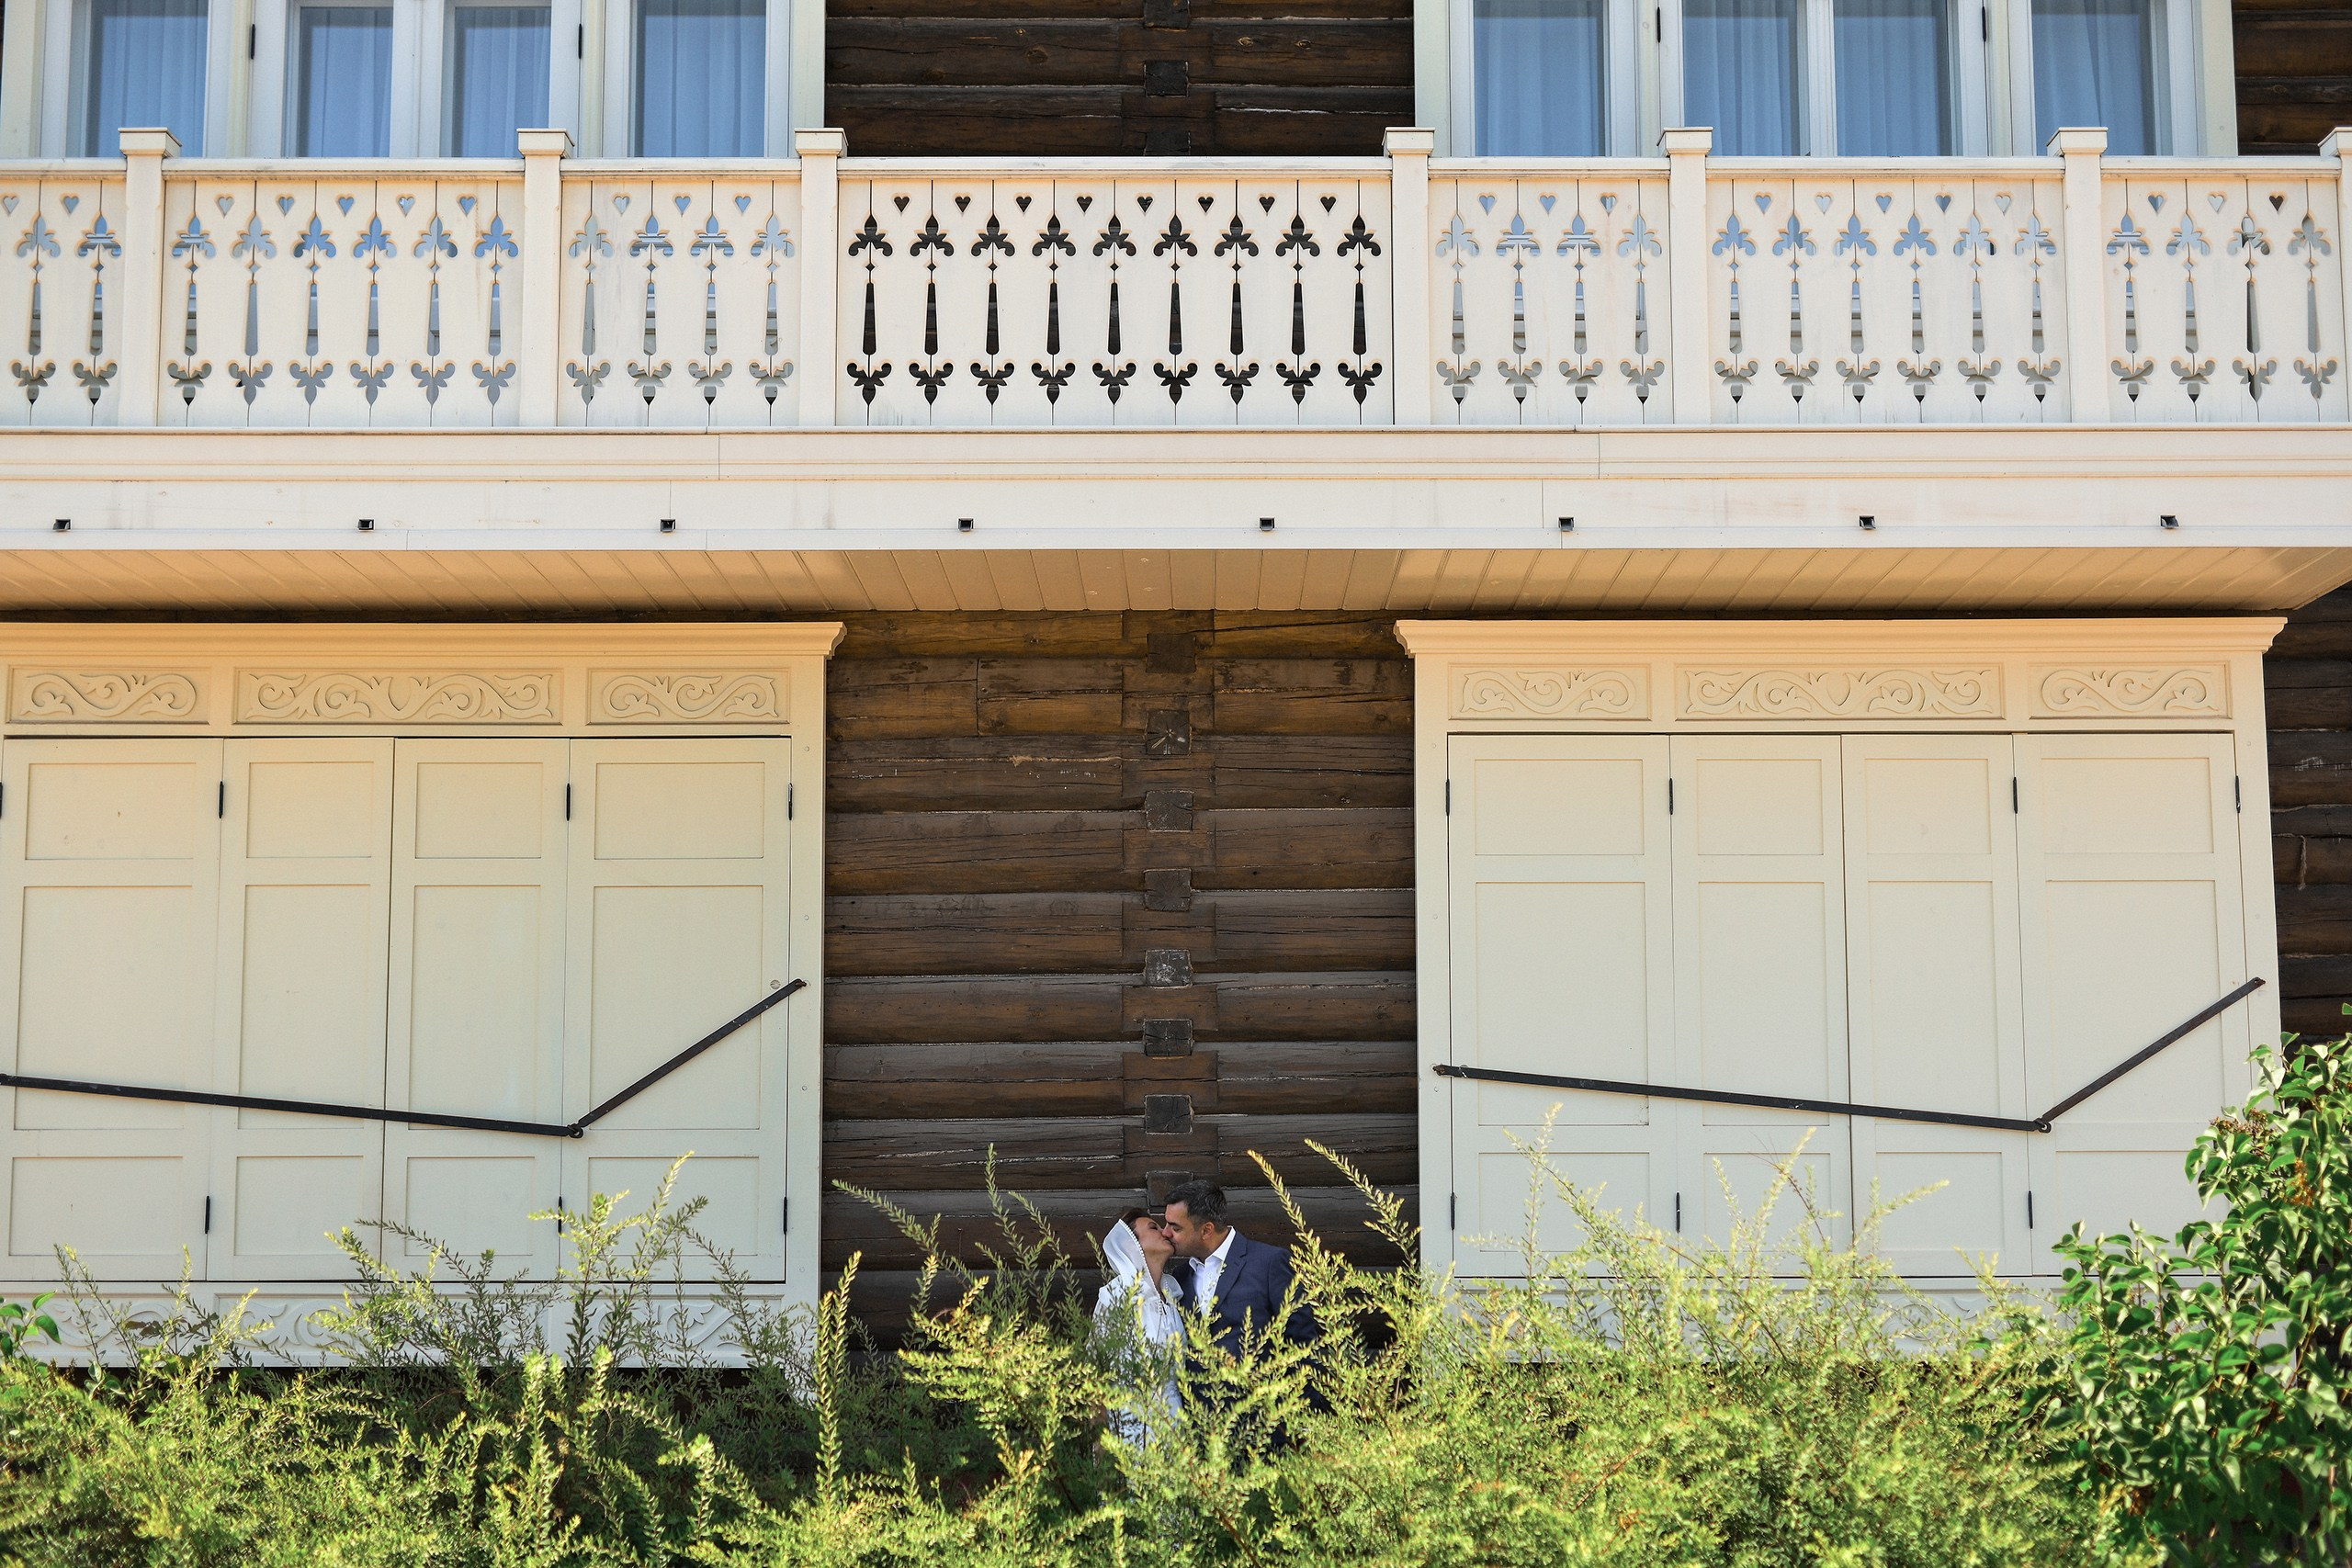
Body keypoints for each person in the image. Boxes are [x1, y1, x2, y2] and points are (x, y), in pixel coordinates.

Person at [1159, 1179, 1319, 1361]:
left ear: (1206, 1230)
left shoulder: (1269, 1263)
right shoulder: (1180, 1277)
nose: (1165, 1233)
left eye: (1175, 1227)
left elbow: (1302, 1343)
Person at [1092, 1205, 1182, 1439]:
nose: (1165, 1232)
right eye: (1154, 1228)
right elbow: (1098, 1376)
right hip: (1132, 1432)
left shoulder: (1173, 1298)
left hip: (1176, 1434)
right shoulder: (1116, 1298)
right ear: (1131, 1245)